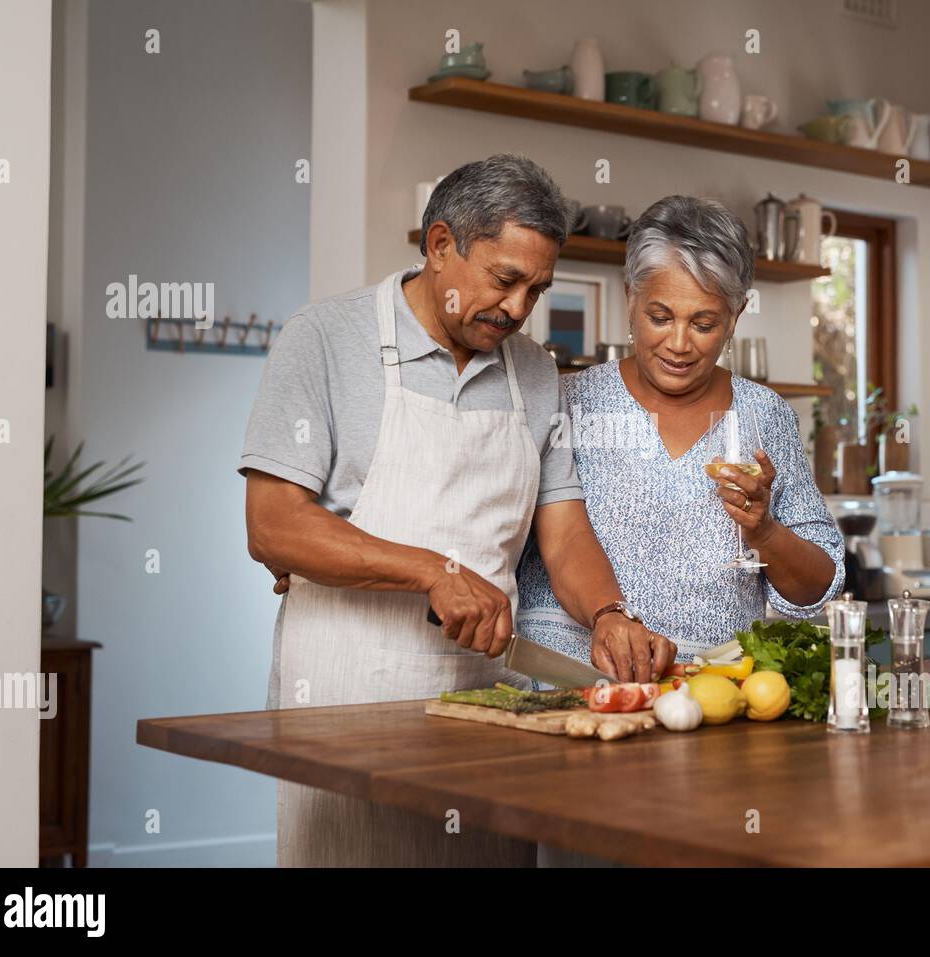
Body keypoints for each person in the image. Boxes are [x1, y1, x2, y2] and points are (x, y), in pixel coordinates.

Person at [239, 154, 676, 867]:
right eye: (504, 280)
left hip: (483, 703)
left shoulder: (534, 372)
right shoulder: (321, 340)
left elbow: (562, 532)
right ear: (440, 245)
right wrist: (432, 571)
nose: (516, 308)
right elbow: (273, 524)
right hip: (344, 697)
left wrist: (608, 613)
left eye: (536, 289)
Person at [517, 195, 845, 666]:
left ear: (735, 316)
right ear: (630, 297)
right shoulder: (568, 403)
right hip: (569, 682)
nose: (678, 344)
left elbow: (817, 588)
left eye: (704, 323)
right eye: (660, 316)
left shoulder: (764, 415)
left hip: (709, 693)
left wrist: (765, 532)